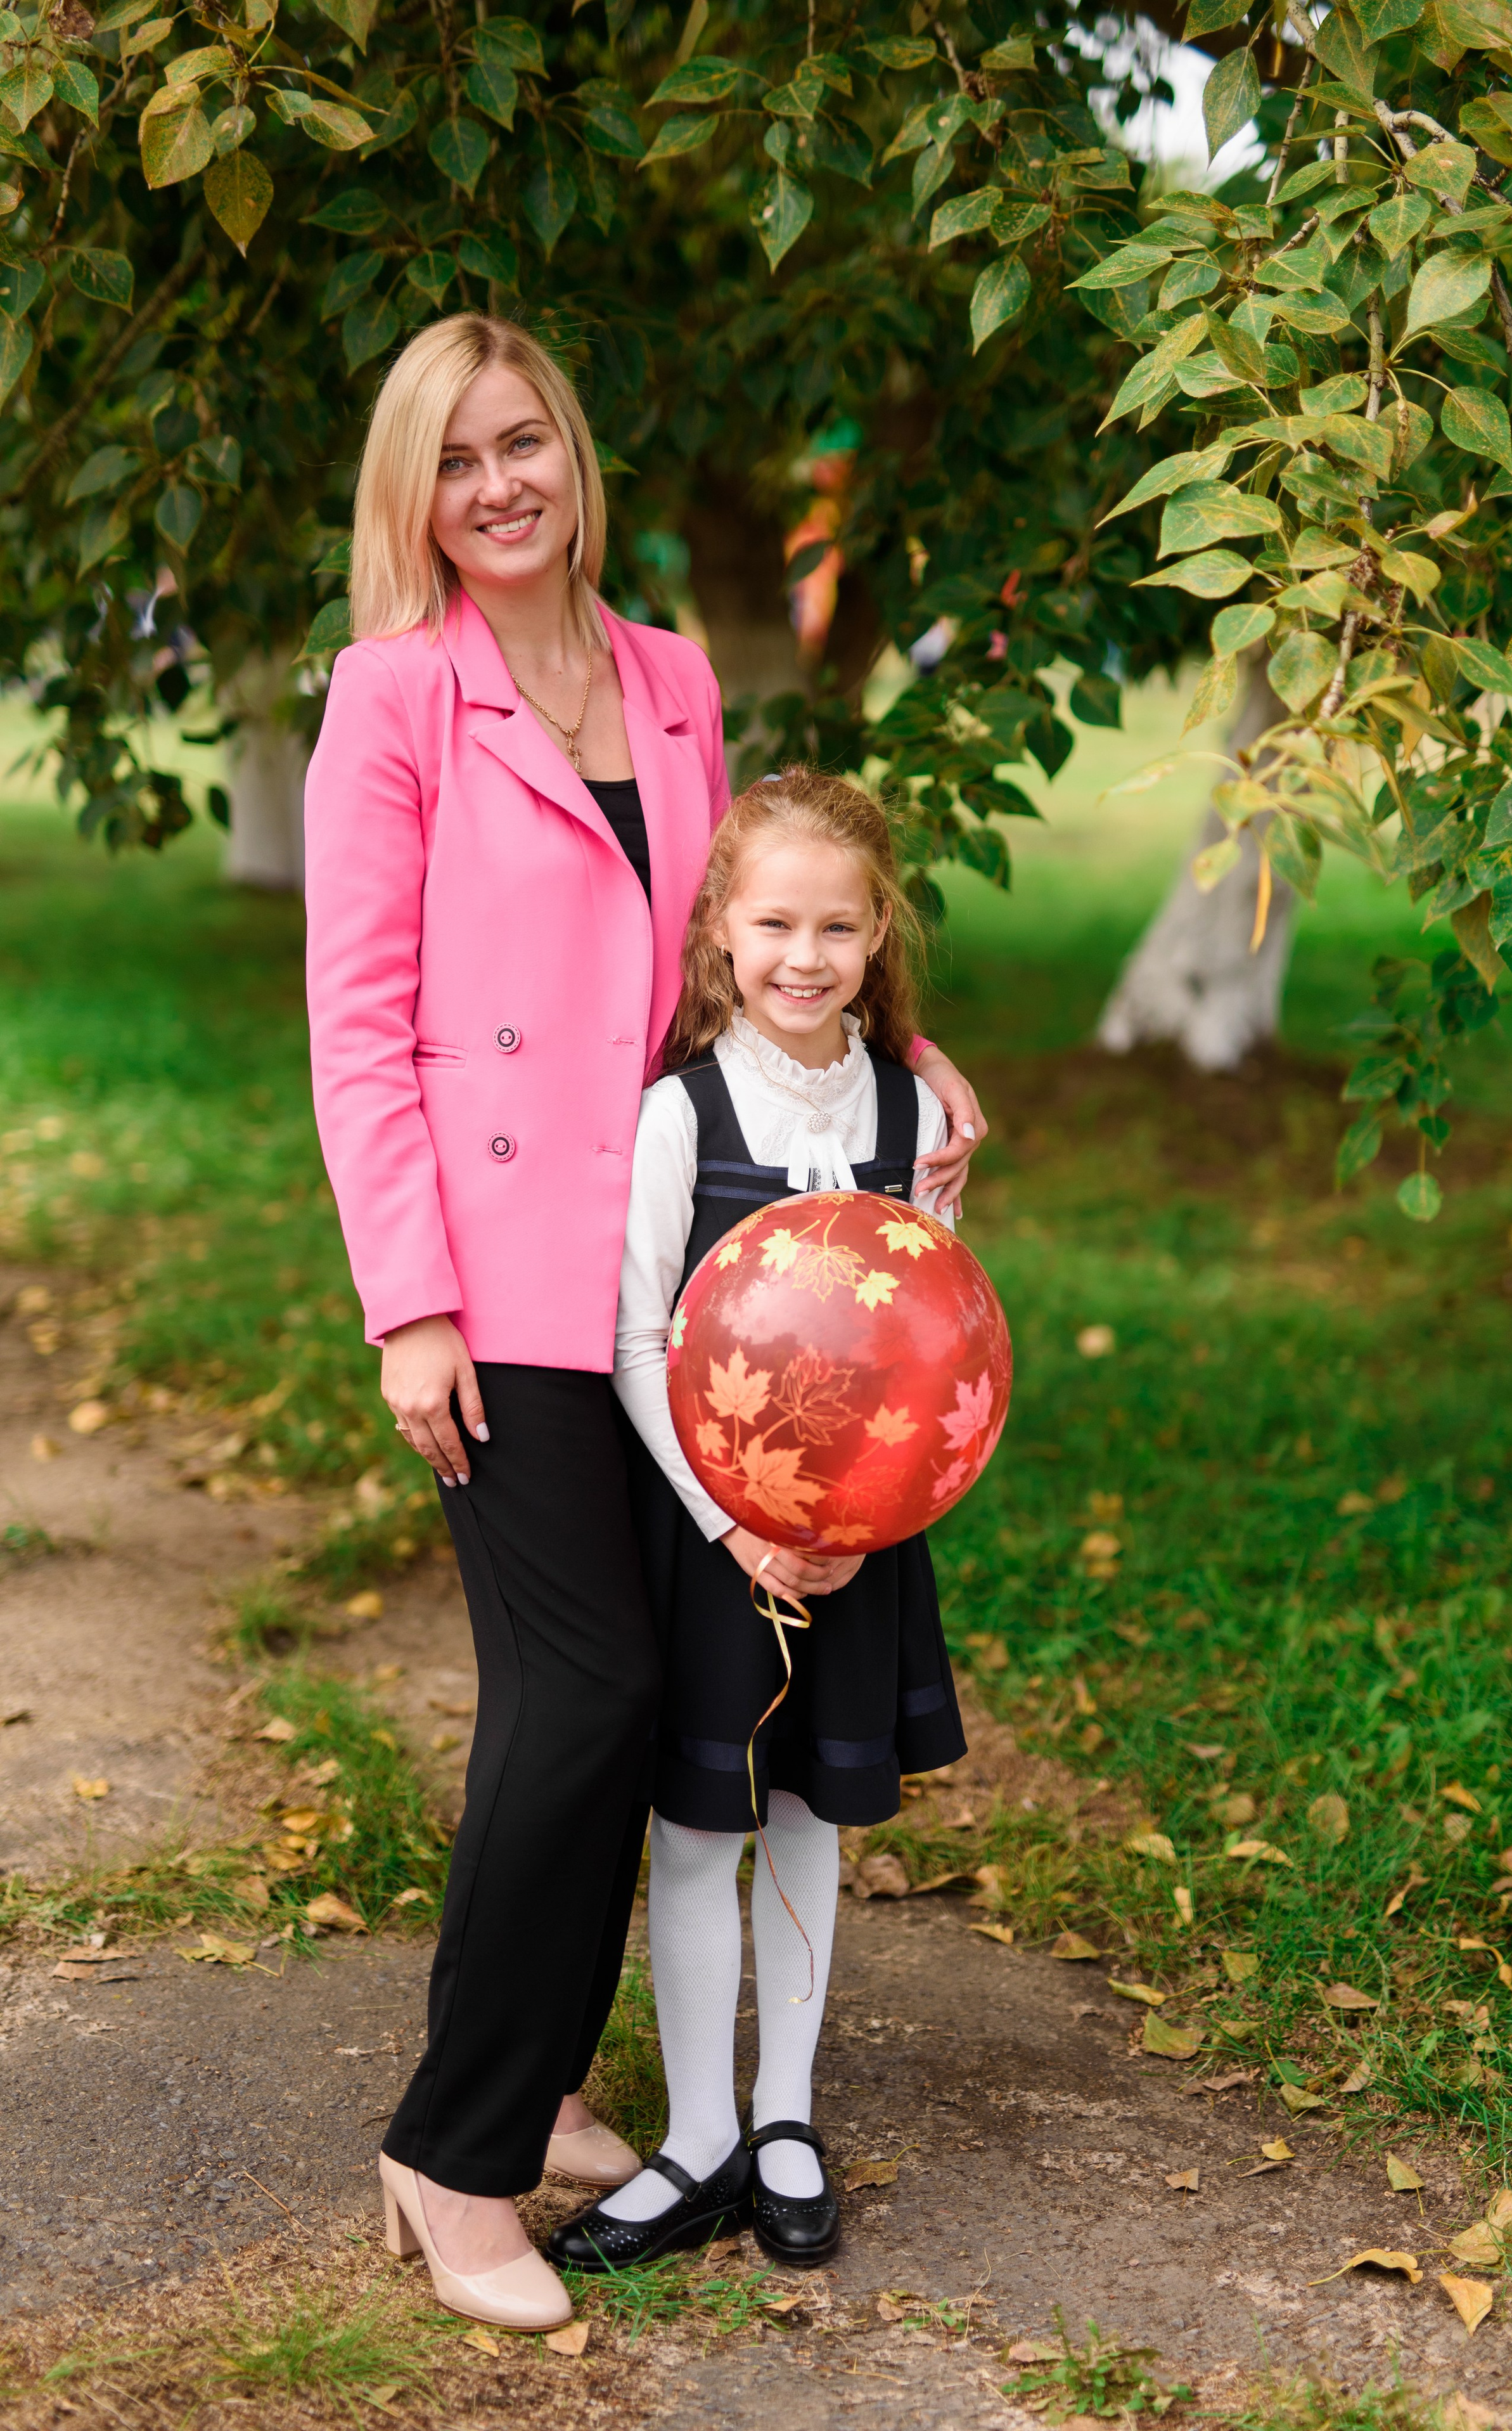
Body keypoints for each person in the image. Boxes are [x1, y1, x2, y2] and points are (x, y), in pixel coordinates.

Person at [302, 314, 987, 2330]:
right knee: (582, 1699)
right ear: (412, 497)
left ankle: (533, 2088)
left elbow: (754, 933)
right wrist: (406, 1303)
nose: (497, 485)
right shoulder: (391, 696)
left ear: (574, 457)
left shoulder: (673, 678)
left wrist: (907, 1050)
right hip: (505, 1289)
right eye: (454, 459)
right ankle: (452, 2155)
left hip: (697, 1282)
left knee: (640, 1709)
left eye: (524, 443)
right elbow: (357, 1030)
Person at [548, 768, 967, 2276]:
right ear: (718, 930)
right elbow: (631, 1336)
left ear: (875, 936)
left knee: (804, 1822)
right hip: (714, 1541)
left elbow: (928, 1335)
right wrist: (734, 1528)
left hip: (856, 1546)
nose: (805, 953)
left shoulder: (913, 1110)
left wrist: (867, 1517)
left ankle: (783, 2116)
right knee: (697, 1824)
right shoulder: (682, 1108)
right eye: (773, 921)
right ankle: (698, 2138)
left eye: (836, 926)